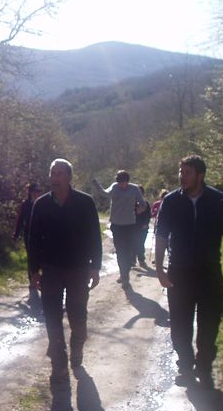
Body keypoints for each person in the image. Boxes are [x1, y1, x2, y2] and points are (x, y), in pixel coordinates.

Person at [155, 155, 223, 388]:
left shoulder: (219, 201)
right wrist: (160, 268)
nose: (182, 177)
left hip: (209, 272)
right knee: (180, 324)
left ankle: (204, 366)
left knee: (209, 324)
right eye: (180, 172)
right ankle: (185, 366)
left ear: (200, 175)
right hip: (179, 272)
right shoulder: (171, 201)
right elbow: (161, 236)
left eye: (187, 173)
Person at [29, 159, 102, 382]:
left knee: (77, 315)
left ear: (69, 177)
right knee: (52, 316)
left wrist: (95, 267)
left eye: (60, 173)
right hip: (50, 268)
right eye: (53, 173)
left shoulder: (85, 202)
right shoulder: (41, 204)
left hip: (78, 268)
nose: (55, 178)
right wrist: (33, 270)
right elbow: (33, 240)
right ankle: (59, 362)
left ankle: (77, 346)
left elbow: (94, 236)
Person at [92, 171, 147, 286]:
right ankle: (124, 274)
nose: (120, 185)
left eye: (122, 182)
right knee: (120, 251)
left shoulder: (134, 189)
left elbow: (143, 204)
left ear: (127, 181)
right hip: (116, 224)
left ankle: (125, 274)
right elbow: (105, 193)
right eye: (119, 182)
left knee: (127, 250)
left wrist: (140, 209)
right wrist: (97, 185)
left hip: (129, 225)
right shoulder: (115, 187)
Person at [12, 182, 41, 298]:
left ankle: (43, 279)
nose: (37, 193)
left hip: (42, 235)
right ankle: (32, 280)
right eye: (35, 191)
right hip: (29, 235)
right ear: (30, 192)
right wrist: (16, 234)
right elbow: (20, 220)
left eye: (39, 191)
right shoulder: (25, 205)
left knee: (42, 257)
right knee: (31, 257)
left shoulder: (42, 203)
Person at [133, 185, 152, 268]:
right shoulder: (131, 203)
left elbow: (148, 215)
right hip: (132, 227)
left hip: (143, 228)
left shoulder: (145, 203)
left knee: (140, 243)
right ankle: (132, 260)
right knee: (132, 243)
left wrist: (145, 224)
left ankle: (141, 260)